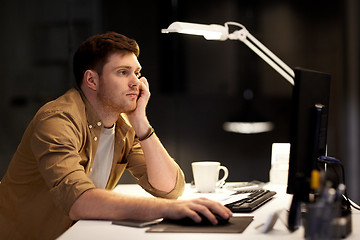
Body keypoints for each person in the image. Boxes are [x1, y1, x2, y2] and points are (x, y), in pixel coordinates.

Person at [0, 32, 232, 239]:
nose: (136, 82)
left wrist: (140, 122)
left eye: (137, 72)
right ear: (92, 80)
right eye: (123, 72)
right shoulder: (57, 120)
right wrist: (165, 209)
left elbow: (169, 189)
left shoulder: (123, 125)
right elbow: (78, 201)